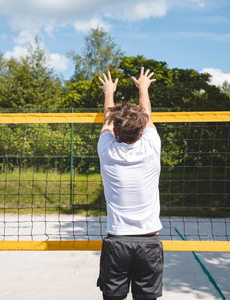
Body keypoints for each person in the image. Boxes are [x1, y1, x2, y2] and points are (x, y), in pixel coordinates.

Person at [96, 67, 163, 300]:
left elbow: (106, 120)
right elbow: (147, 114)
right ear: (142, 130)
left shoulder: (107, 149)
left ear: (114, 131)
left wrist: (108, 92)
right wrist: (143, 88)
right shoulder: (151, 146)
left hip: (117, 242)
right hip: (149, 242)